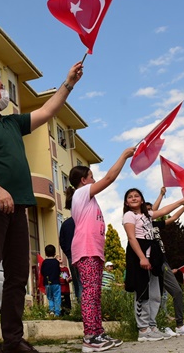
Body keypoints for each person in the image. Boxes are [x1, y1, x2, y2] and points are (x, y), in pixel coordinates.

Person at [0, 61, 83, 353]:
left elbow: (48, 111)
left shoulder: (11, 123)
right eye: (2, 88)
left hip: (17, 209)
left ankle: (14, 340)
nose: (6, 94)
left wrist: (69, 83)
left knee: (17, 275)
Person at [67, 150, 134, 352]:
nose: (94, 180)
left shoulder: (86, 197)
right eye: (91, 177)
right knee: (89, 293)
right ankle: (90, 337)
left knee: (95, 294)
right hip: (86, 250)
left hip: (93, 251)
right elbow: (110, 178)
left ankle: (98, 332)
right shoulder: (81, 193)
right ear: (83, 180)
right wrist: (123, 155)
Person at [122, 188, 184, 342]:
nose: (133, 198)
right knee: (142, 293)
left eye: (136, 196)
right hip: (140, 254)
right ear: (126, 202)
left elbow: (166, 210)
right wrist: (141, 258)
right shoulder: (129, 215)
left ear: (141, 199)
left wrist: (183, 201)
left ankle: (152, 326)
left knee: (155, 294)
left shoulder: (147, 216)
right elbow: (132, 238)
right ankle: (143, 330)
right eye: (130, 197)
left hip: (153, 255)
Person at [145, 194, 184, 337]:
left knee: (177, 292)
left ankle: (179, 325)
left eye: (151, 210)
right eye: (148, 210)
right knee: (155, 297)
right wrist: (161, 195)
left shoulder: (155, 224)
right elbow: (157, 210)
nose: (151, 212)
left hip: (163, 262)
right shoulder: (142, 226)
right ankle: (159, 326)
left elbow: (172, 218)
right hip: (152, 263)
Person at [59, 215, 82, 302]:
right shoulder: (82, 220)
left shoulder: (65, 224)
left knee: (77, 282)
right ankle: (86, 308)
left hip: (72, 255)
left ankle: (80, 304)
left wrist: (68, 253)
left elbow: (62, 241)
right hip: (83, 253)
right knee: (85, 282)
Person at [41, 245, 62, 317]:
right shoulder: (56, 262)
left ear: (46, 253)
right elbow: (58, 272)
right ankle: (57, 312)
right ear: (54, 253)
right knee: (57, 297)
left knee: (50, 297)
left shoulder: (44, 262)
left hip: (47, 283)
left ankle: (51, 310)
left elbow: (42, 272)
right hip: (56, 282)